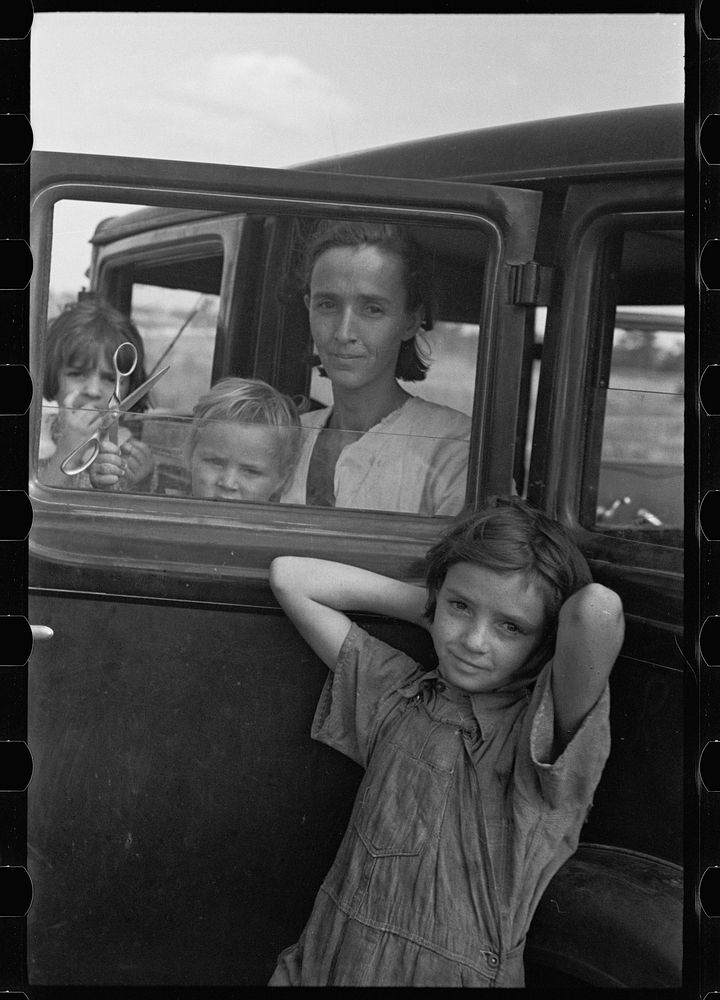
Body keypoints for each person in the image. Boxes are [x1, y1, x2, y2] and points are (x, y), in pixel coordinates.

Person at [267, 497, 625, 987]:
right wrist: (434, 609)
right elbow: (291, 577)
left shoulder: (536, 741)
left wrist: (457, 609)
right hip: (331, 962)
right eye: (461, 607)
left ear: (543, 641)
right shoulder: (397, 696)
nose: (474, 641)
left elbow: (598, 610)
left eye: (510, 627)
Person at [280, 220, 471, 516]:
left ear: (410, 321)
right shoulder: (287, 437)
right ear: (308, 307)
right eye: (327, 305)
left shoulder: (454, 448)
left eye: (372, 309)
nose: (343, 333)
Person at [90, 377, 301, 503]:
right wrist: (108, 490)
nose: (227, 483)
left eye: (251, 471)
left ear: (282, 479)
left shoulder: (283, 538)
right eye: (215, 462)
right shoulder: (167, 510)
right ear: (190, 454)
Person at [39, 297, 155, 489]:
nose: (93, 391)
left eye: (110, 378)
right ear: (52, 376)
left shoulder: (130, 455)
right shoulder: (32, 438)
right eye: (77, 374)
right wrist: (69, 450)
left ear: (129, 389)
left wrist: (142, 482)